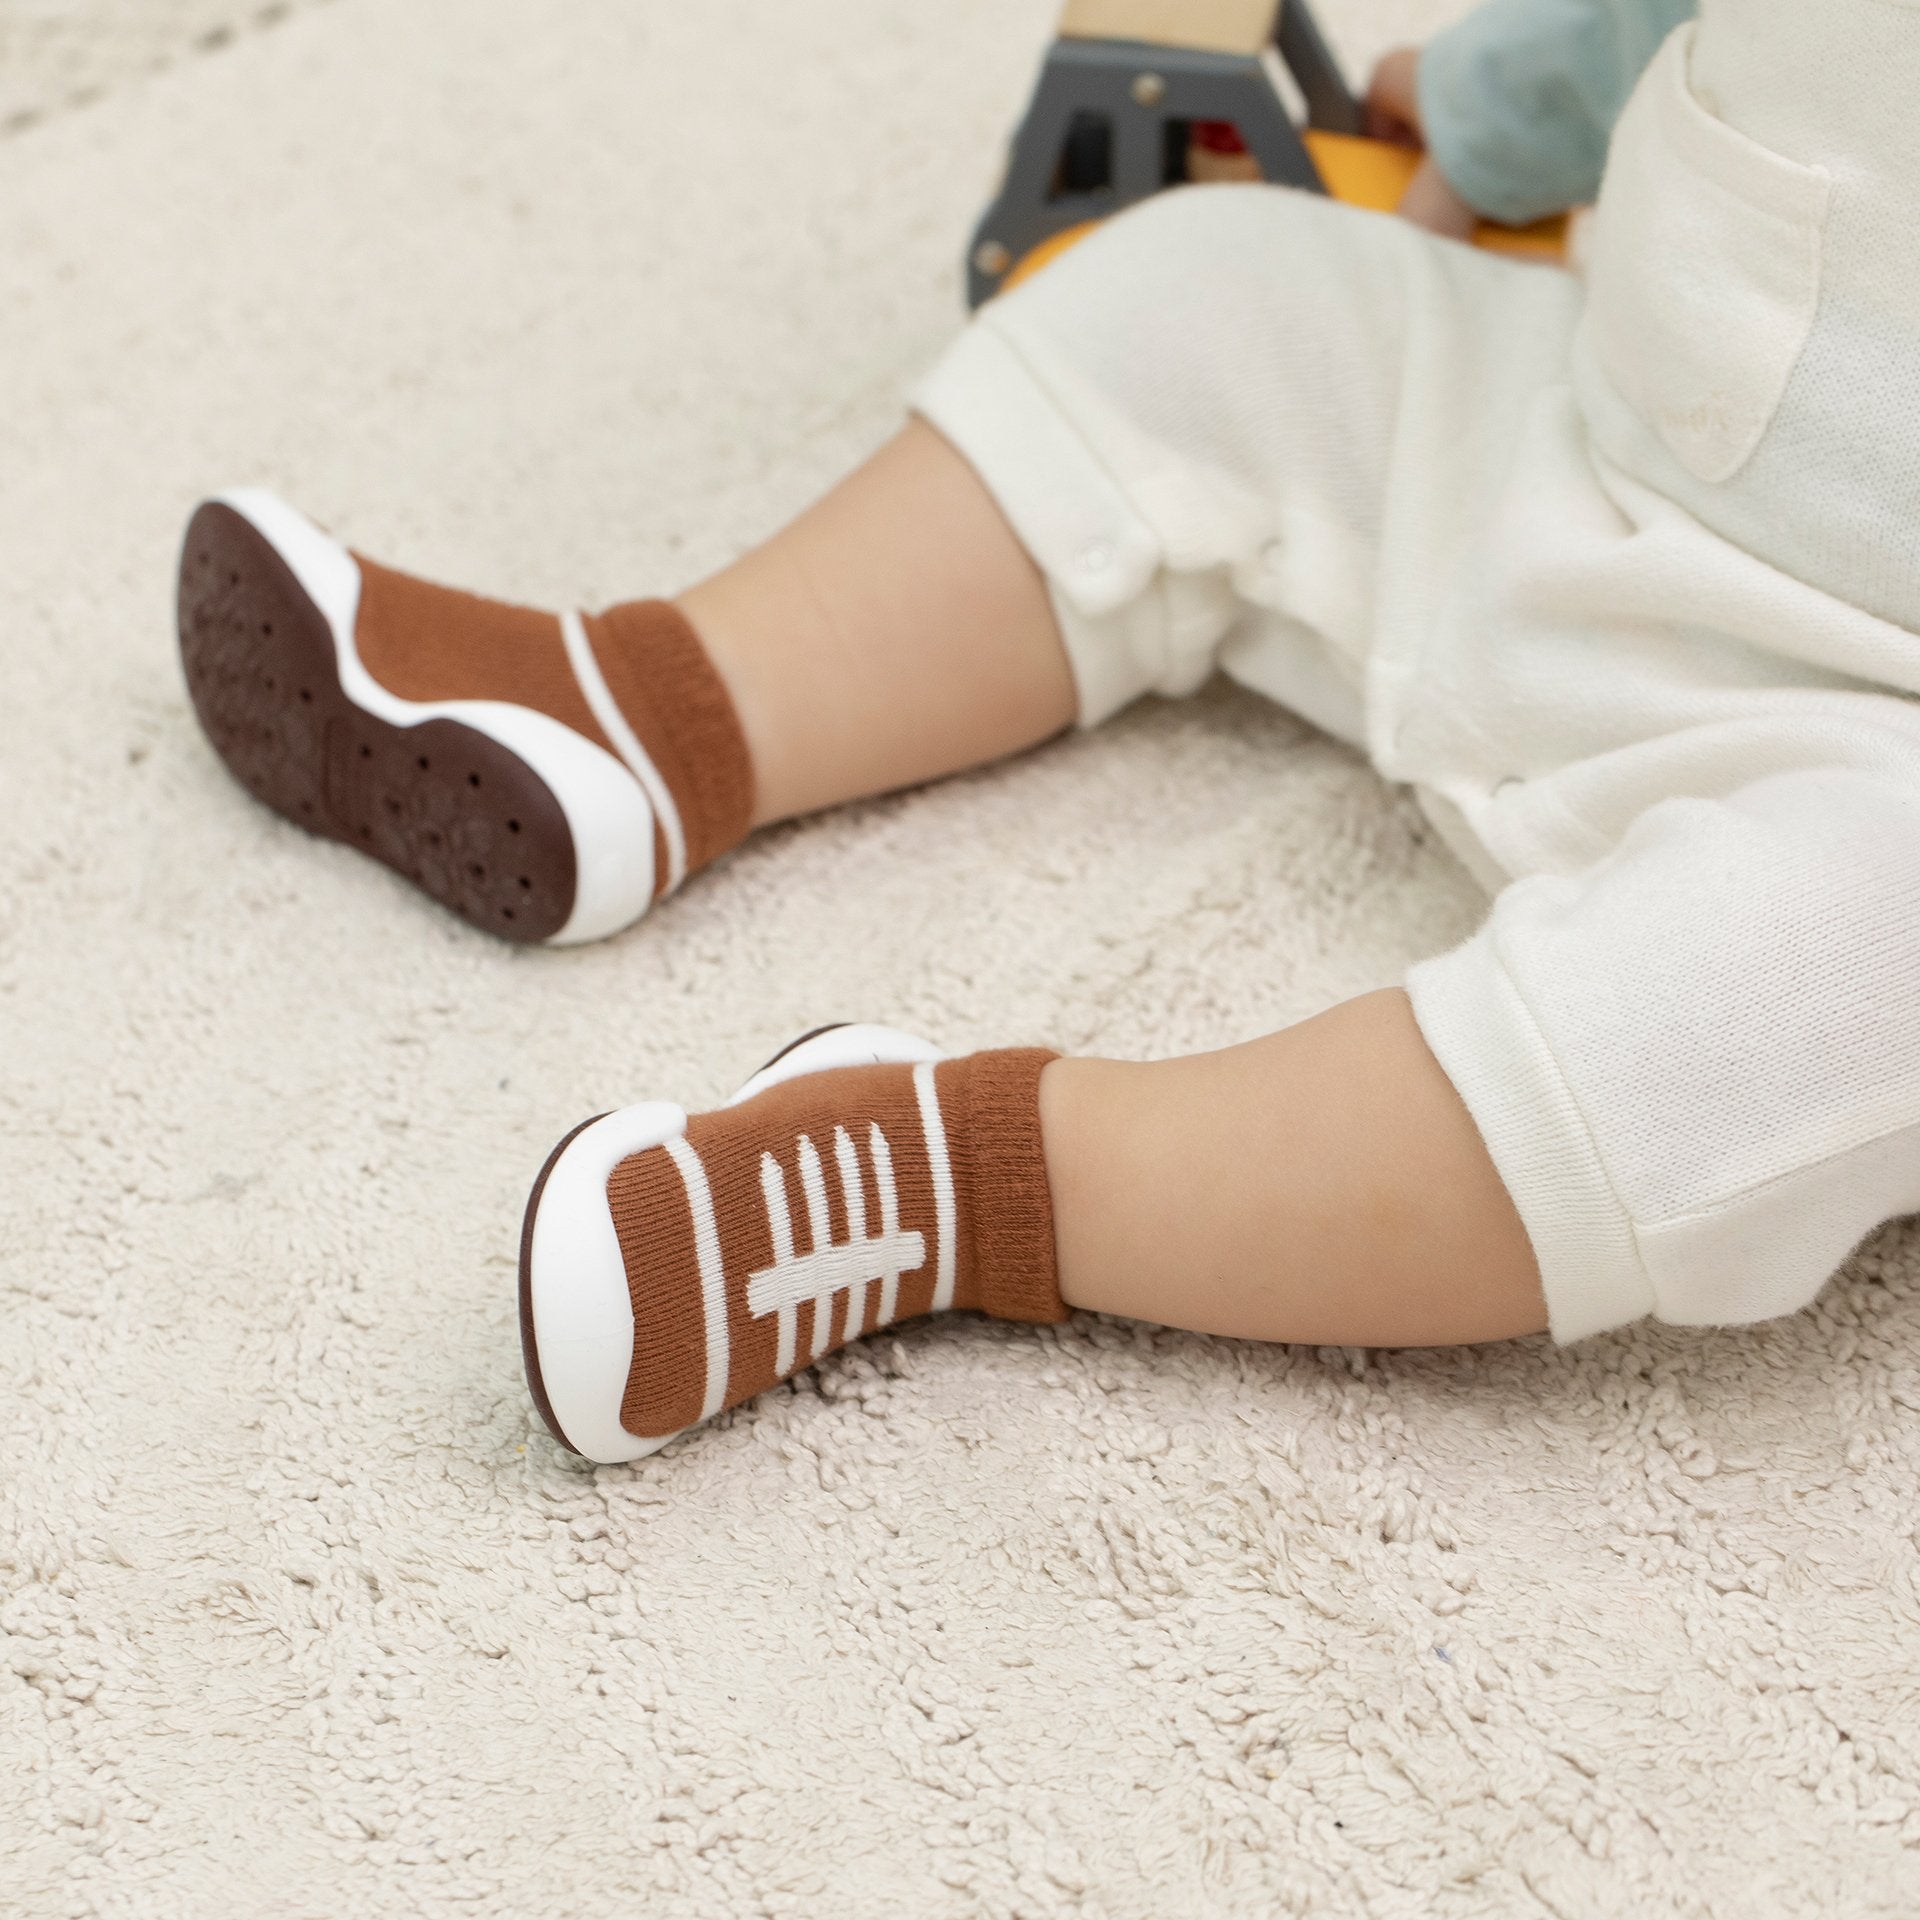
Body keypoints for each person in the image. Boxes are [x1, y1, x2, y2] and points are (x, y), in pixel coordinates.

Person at [176, 0, 1920, 1463]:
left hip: (1876, 756)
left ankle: (975, 1179)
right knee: (1216, 300)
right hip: (1576, 444)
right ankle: (652, 711)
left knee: (1817, 990)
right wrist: (1499, 111)